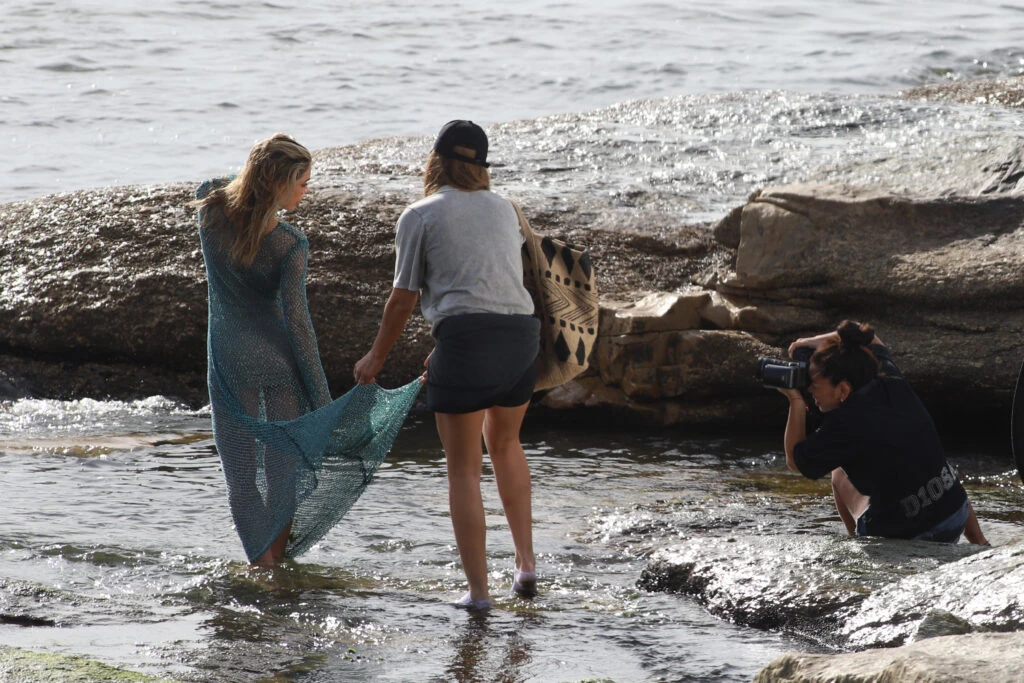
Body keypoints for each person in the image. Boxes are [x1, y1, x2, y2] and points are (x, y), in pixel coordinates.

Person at [196, 134, 421, 567]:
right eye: (302, 181)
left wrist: (254, 179)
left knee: (241, 476)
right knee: (283, 473)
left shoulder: (210, 209)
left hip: (228, 363)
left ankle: (263, 566)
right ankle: (276, 565)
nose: (307, 190)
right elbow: (299, 328)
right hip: (279, 363)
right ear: (279, 182)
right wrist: (323, 406)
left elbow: (217, 182)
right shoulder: (289, 243)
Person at [354, 120, 540, 610]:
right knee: (505, 442)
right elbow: (496, 284)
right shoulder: (508, 209)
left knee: (462, 469)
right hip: (522, 337)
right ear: (481, 166)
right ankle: (526, 567)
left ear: (435, 160)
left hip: (467, 340)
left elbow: (402, 299)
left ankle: (479, 594)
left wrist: (375, 359)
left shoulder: (420, 215)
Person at [778, 320, 988, 545]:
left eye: (815, 385)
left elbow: (795, 461)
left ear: (844, 389)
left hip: (908, 536)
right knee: (927, 460)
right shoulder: (889, 378)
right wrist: (813, 342)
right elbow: (865, 334)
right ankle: (980, 541)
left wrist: (795, 400)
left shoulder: (843, 426)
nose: (810, 389)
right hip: (956, 513)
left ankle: (857, 542)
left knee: (838, 474)